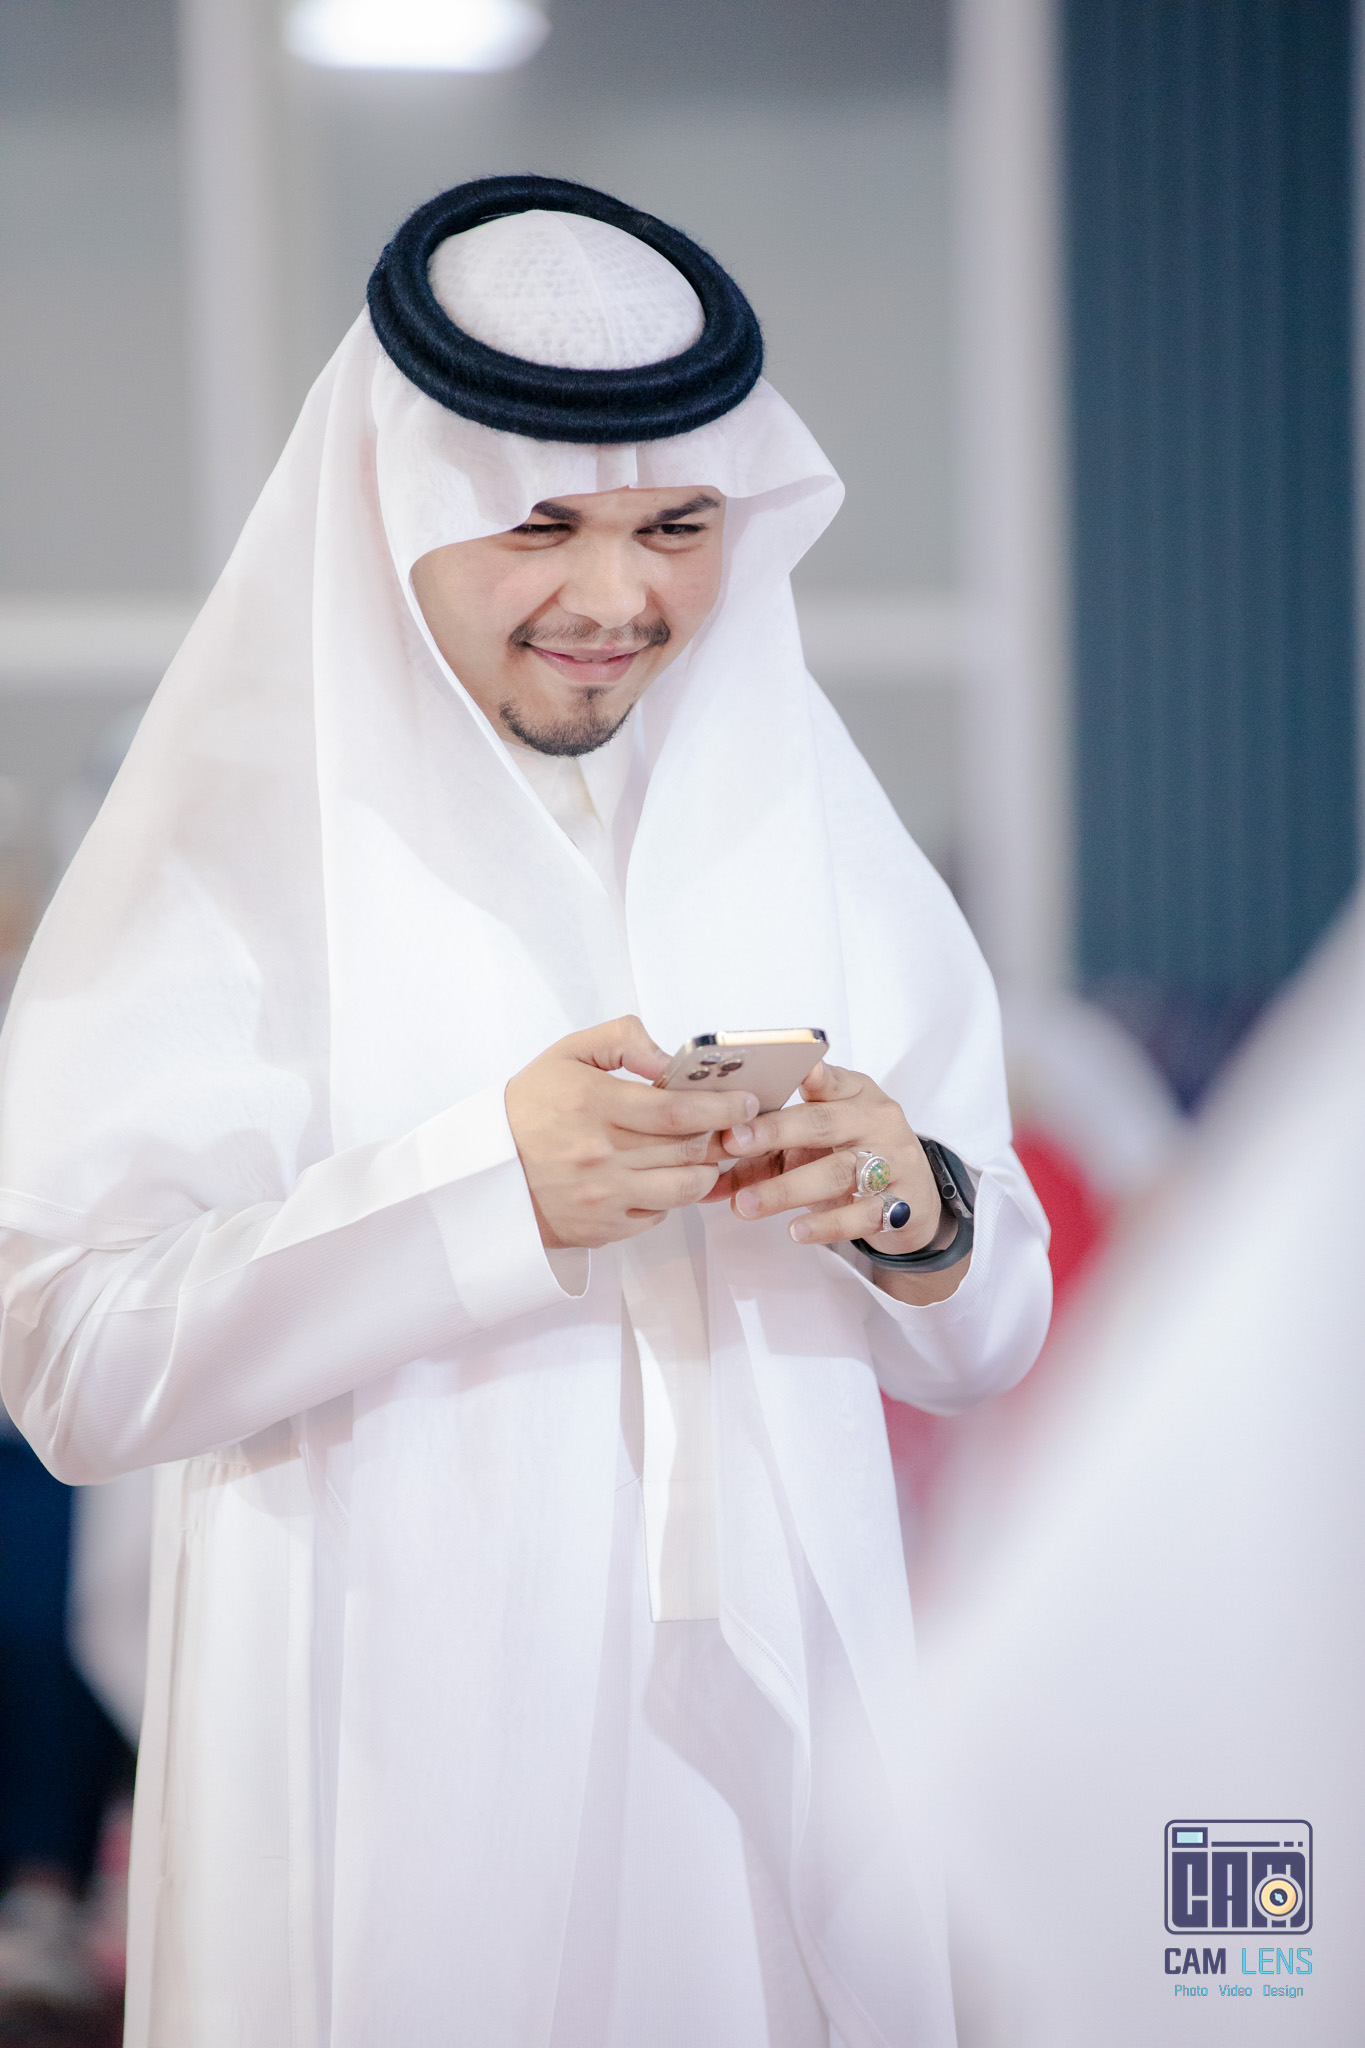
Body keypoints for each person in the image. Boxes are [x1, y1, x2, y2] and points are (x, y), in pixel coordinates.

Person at [0, 176, 1052, 2047]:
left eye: (676, 528)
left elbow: (990, 1334)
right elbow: (70, 1366)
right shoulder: (229, 850)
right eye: (538, 526)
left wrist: (917, 1212)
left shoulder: (803, 816)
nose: (616, 599)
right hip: (386, 1767)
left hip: (761, 1789)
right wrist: (489, 1194)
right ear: (399, 511)